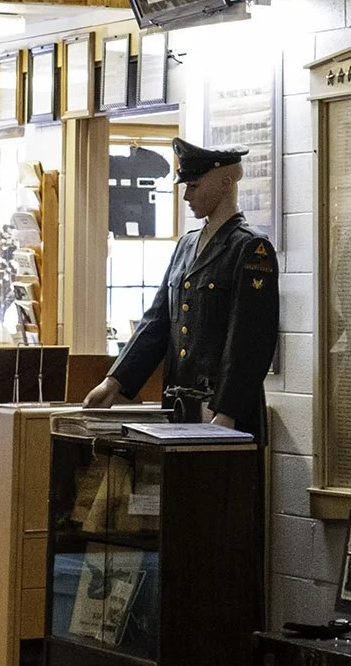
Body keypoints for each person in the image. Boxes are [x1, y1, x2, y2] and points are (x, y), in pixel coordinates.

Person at [84, 138, 279, 440]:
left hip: (225, 417)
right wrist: (114, 381)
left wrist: (227, 412)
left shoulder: (250, 248)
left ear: (226, 183)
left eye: (194, 185)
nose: (187, 195)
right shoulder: (187, 245)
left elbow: (250, 341)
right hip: (180, 409)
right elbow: (158, 322)